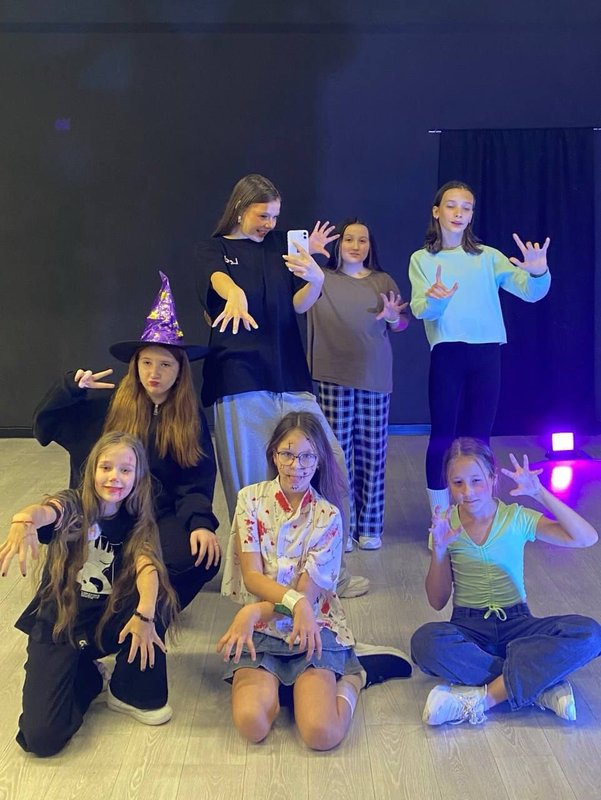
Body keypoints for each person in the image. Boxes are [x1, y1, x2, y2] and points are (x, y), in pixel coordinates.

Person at [195, 173, 367, 597]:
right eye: (262, 215)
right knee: (251, 487)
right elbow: (216, 279)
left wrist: (316, 280)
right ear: (240, 209)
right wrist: (234, 294)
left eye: (274, 216)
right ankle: (253, 584)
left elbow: (297, 306)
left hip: (291, 377)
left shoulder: (281, 249)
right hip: (238, 378)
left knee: (331, 464)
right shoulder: (215, 249)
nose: (269, 224)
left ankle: (327, 572)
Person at [217, 412, 411, 749]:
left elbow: (306, 599)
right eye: (287, 454)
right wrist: (267, 611)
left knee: (322, 734)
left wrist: (254, 611)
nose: (296, 465)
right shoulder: (250, 500)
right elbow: (252, 578)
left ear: (319, 460)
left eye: (307, 456)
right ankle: (290, 689)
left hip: (311, 626)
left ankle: (353, 674)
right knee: (251, 724)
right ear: (273, 454)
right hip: (263, 631)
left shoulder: (328, 516)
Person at [33, 272, 220, 610]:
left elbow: (195, 481)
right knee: (76, 550)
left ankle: (143, 609)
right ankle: (101, 602)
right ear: (135, 365)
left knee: (200, 556)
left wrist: (200, 524)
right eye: (146, 362)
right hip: (106, 510)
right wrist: (69, 391)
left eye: (165, 364)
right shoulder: (108, 406)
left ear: (180, 370)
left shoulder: (189, 419)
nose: (154, 373)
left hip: (157, 514)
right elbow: (45, 427)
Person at [0, 431, 179, 757]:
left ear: (138, 476)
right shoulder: (74, 503)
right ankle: (89, 676)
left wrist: (145, 616)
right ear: (92, 469)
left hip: (107, 622)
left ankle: (132, 689)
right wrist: (23, 521)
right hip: (62, 622)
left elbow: (148, 568)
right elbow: (47, 511)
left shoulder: (139, 519)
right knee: (41, 739)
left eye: (126, 470)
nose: (115, 477)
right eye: (106, 467)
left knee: (159, 596)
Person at [410, 437, 601, 726]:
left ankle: (485, 697)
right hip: (469, 628)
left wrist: (540, 493)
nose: (467, 491)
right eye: (458, 483)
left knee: (590, 634)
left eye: (476, 481)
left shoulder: (516, 517)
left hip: (519, 624)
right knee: (424, 643)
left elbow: (586, 538)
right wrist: (438, 551)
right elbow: (437, 601)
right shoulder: (445, 525)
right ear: (448, 485)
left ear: (492, 477)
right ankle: (538, 684)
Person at [408, 181, 551, 513]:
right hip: (447, 353)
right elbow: (419, 309)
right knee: (443, 436)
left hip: (487, 353)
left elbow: (530, 292)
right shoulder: (422, 259)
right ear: (436, 211)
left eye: (466, 207)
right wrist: (436, 300)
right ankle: (440, 517)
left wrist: (539, 272)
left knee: (479, 438)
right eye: (451, 205)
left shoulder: (489, 257)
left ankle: (477, 512)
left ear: (472, 215)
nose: (458, 213)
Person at [307, 217, 409, 550]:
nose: (355, 245)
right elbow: (296, 283)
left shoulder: (382, 280)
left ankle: (370, 527)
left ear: (370, 246)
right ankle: (341, 526)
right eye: (349, 239)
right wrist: (310, 252)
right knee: (337, 456)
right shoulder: (320, 277)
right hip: (332, 375)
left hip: (374, 376)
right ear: (338, 244)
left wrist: (393, 318)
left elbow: (401, 324)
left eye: (362, 240)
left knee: (373, 455)